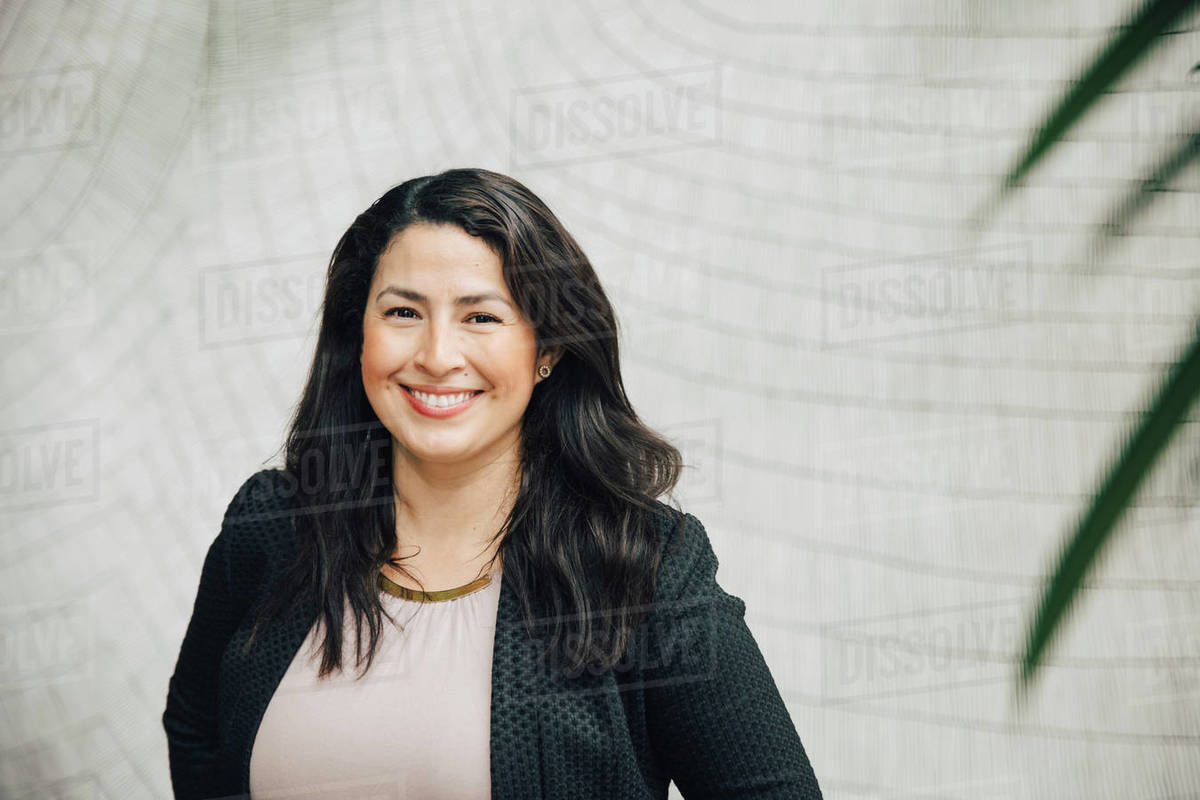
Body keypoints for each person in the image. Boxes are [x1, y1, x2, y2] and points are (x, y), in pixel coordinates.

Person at [161, 167, 823, 799]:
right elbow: (197, 729)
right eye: (402, 313)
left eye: (481, 317)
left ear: (549, 350)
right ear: (356, 334)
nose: (437, 356)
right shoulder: (271, 527)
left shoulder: (644, 568)